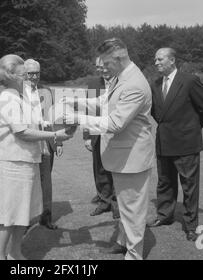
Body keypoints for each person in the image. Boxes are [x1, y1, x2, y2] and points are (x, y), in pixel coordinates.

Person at [64, 38, 155, 260]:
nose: (103, 68)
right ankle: (124, 242)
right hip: (123, 156)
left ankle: (134, 254)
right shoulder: (121, 77)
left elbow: (115, 123)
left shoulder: (134, 84)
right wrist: (77, 101)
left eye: (106, 64)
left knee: (132, 209)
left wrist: (76, 118)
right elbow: (105, 101)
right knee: (125, 207)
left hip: (132, 159)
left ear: (119, 58)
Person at [0, 54, 72, 260]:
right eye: (23, 74)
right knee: (8, 216)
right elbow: (22, 132)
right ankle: (0, 256)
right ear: (11, 75)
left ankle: (15, 253)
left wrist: (63, 118)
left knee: (21, 214)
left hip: (25, 163)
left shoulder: (19, 97)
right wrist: (54, 135)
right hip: (12, 165)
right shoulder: (9, 98)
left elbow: (35, 122)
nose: (28, 77)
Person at [147, 48, 203, 242]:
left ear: (172, 60)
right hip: (164, 142)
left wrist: (192, 127)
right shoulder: (155, 84)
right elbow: (157, 112)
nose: (156, 62)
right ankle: (164, 215)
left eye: (160, 59)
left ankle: (190, 225)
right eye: (155, 59)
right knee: (164, 182)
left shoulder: (189, 81)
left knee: (189, 186)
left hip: (187, 143)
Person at [24, 58, 63, 230]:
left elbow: (55, 117)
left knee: (46, 183)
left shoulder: (47, 91)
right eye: (30, 73)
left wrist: (59, 141)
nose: (34, 77)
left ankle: (46, 217)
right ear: (24, 74)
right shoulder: (18, 93)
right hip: (28, 145)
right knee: (28, 183)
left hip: (47, 144)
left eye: (37, 73)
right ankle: (23, 221)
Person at [83, 60, 119, 219]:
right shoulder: (93, 84)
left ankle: (117, 204)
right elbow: (87, 110)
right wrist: (86, 137)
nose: (101, 69)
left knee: (117, 170)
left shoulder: (122, 82)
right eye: (97, 66)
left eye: (103, 66)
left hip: (117, 134)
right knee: (100, 169)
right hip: (97, 133)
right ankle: (104, 201)